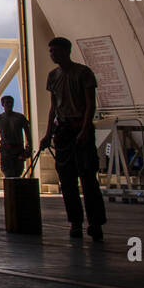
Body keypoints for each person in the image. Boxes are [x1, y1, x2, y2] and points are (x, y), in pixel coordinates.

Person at [38, 36, 106, 241]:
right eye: (51, 52)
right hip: (64, 131)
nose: (52, 55)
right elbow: (53, 108)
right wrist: (48, 133)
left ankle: (95, 223)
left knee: (87, 179)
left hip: (79, 128)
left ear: (67, 52)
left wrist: (85, 129)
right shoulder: (53, 76)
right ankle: (75, 223)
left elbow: (90, 105)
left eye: (56, 51)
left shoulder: (83, 73)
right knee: (67, 181)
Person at [0, 96, 32, 178]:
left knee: (18, 172)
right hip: (6, 151)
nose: (9, 105)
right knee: (7, 172)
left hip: (18, 150)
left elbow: (28, 134)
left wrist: (29, 148)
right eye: (7, 102)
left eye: (11, 103)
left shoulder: (20, 118)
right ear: (3, 104)